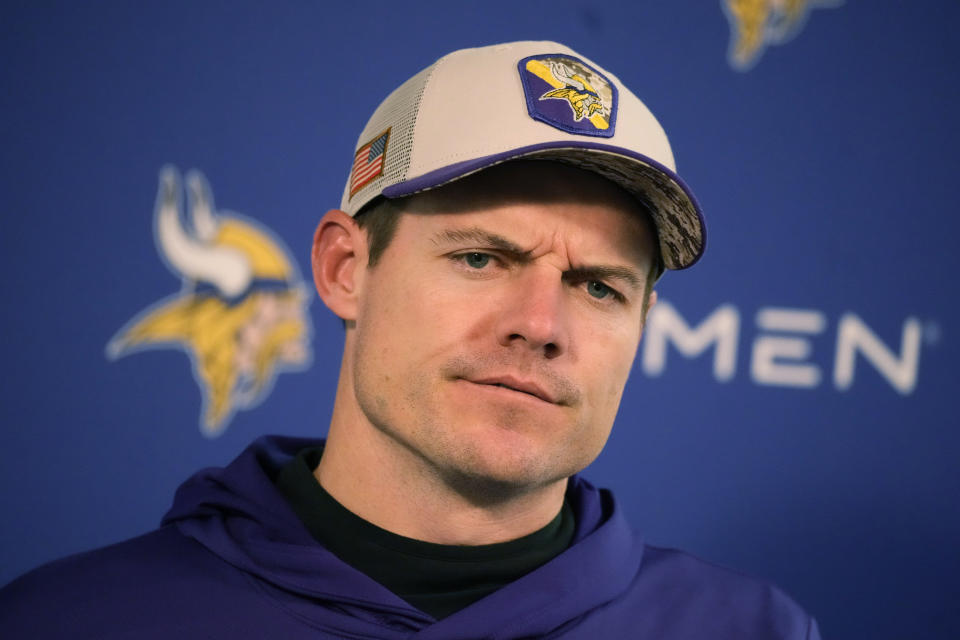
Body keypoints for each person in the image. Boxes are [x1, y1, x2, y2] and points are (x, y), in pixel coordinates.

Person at [0, 41, 821, 639]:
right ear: (343, 268)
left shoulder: (753, 631)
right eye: (481, 258)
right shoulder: (72, 621)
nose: (539, 325)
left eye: (598, 286)